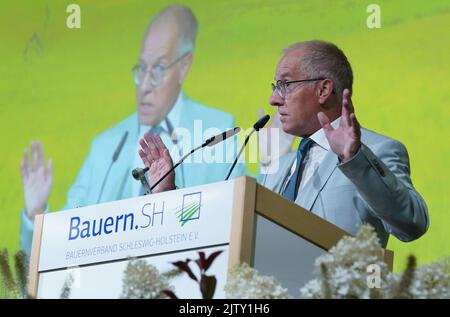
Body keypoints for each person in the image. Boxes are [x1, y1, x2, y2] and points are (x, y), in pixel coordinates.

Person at [141, 40, 429, 247]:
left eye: (285, 85)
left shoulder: (378, 150)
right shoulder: (278, 168)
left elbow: (411, 224)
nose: (274, 99)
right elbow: (229, 233)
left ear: (324, 89)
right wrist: (166, 195)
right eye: (275, 87)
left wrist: (354, 160)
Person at [19, 5, 245, 257]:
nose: (144, 86)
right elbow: (67, 231)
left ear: (184, 66)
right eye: (141, 69)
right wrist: (35, 213)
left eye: (158, 69)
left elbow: (235, 217)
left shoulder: (215, 130)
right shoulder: (106, 146)